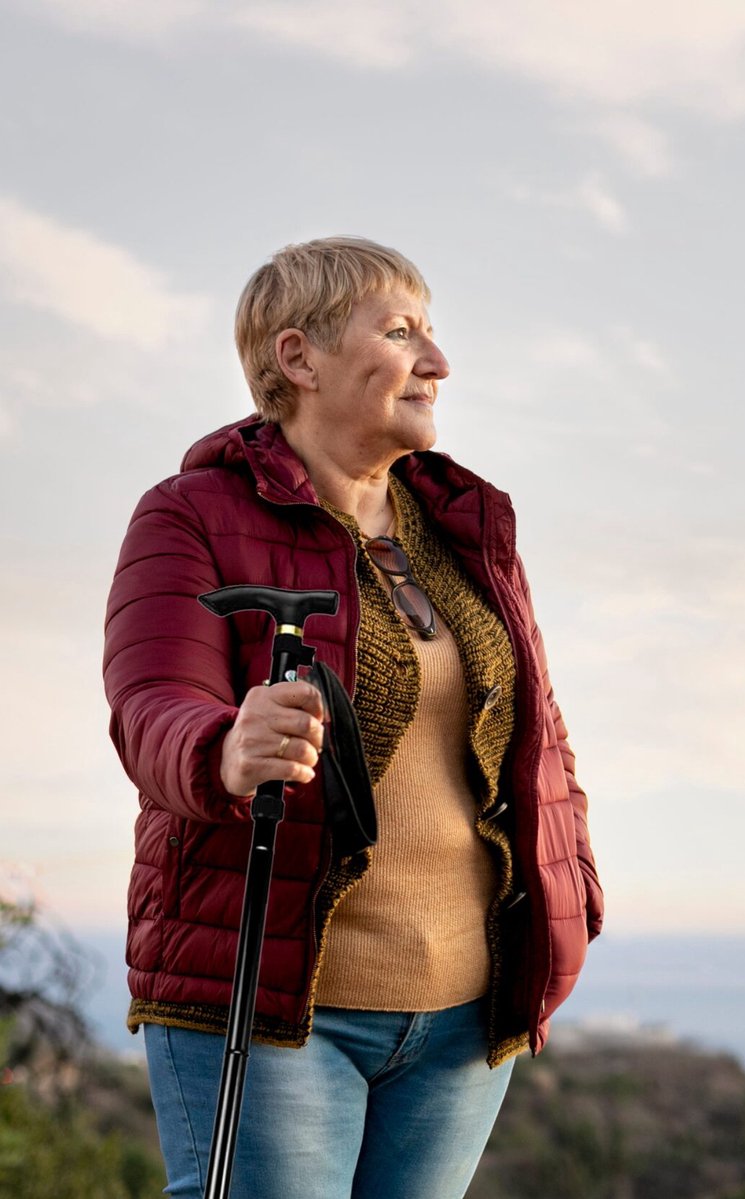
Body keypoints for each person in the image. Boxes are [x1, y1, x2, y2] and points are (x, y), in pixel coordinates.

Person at [103, 236, 603, 1199]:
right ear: (298, 358)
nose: (438, 362)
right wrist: (223, 746)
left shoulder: (466, 527)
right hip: (279, 1004)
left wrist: (571, 885)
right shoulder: (188, 513)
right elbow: (149, 704)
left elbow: (539, 731)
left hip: (464, 1011)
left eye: (432, 332)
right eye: (402, 331)